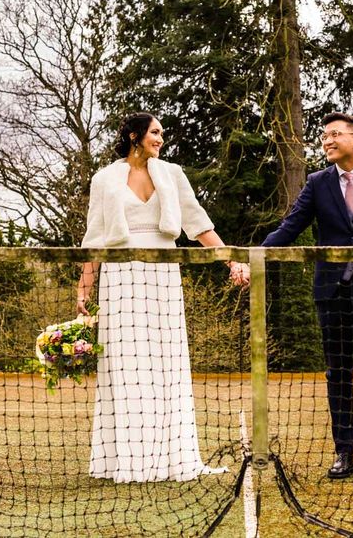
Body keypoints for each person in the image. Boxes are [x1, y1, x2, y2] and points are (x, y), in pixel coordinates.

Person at [76, 111, 249, 483]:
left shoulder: (172, 173)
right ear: (136, 135)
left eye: (162, 133)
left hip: (163, 272)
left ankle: (172, 458)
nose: (161, 139)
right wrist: (83, 290)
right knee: (125, 361)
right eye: (155, 132)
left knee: (164, 359)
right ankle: (127, 460)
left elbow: (198, 223)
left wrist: (231, 261)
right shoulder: (104, 179)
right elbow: (95, 238)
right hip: (120, 277)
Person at [262, 112, 353, 479]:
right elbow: (290, 227)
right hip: (332, 292)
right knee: (338, 374)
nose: (326, 141)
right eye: (324, 136)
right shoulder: (316, 183)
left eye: (334, 134)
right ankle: (343, 453)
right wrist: (255, 256)